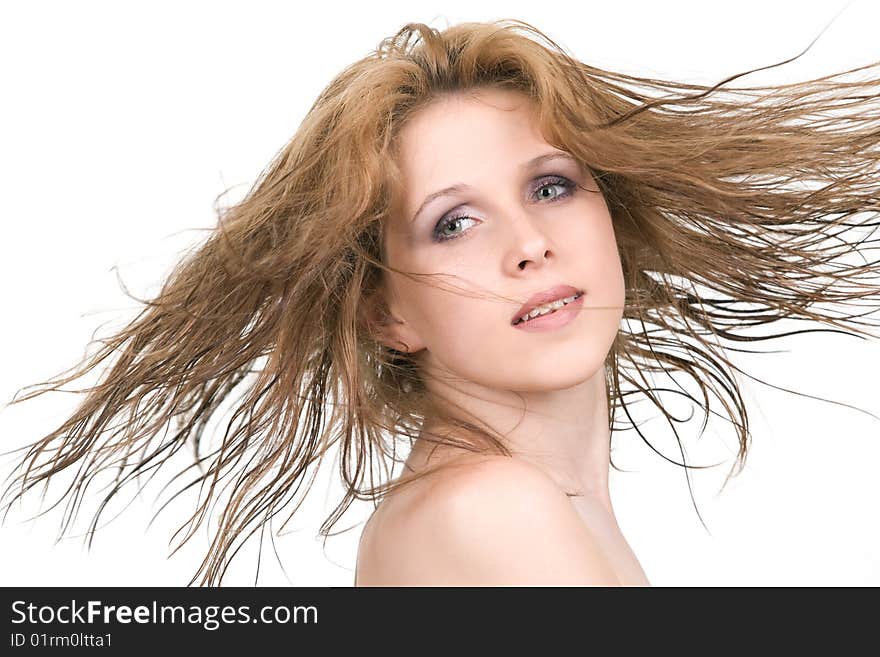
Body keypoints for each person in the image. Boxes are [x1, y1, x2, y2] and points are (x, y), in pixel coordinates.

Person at [2, 19, 879, 586]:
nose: (529, 243)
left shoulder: (518, 501)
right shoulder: (490, 511)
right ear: (388, 313)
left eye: (551, 187)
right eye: (454, 222)